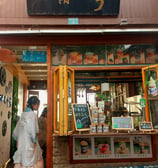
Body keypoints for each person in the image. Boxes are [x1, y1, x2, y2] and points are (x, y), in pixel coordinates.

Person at [12, 96, 43, 168]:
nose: (38, 106)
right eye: (37, 104)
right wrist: (34, 140)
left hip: (22, 140)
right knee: (31, 160)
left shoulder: (23, 113)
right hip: (29, 141)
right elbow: (33, 129)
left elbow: (18, 129)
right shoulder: (32, 114)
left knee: (22, 160)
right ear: (33, 104)